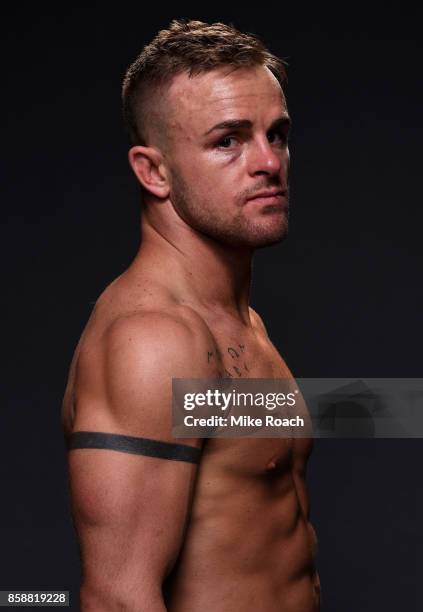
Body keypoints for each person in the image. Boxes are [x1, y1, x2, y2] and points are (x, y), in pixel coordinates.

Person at [62, 19, 320, 611]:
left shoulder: (241, 324)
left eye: (276, 135)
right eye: (228, 140)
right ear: (153, 171)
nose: (267, 162)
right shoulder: (153, 338)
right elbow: (118, 597)